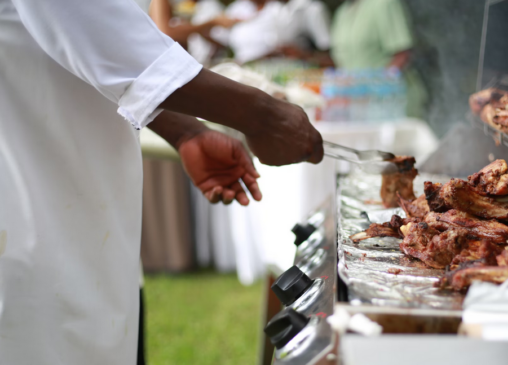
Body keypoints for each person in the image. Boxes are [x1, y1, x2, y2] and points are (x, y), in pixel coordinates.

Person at [0, 1, 323, 365]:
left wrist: (185, 131)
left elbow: (84, 55)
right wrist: (264, 116)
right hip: (35, 232)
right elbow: (108, 37)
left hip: (85, 222)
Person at [330, 0, 426, 117]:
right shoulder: (341, 13)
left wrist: (374, 87)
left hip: (392, 102)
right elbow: (342, 61)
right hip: (357, 105)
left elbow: (402, 54)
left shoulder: (384, 3)